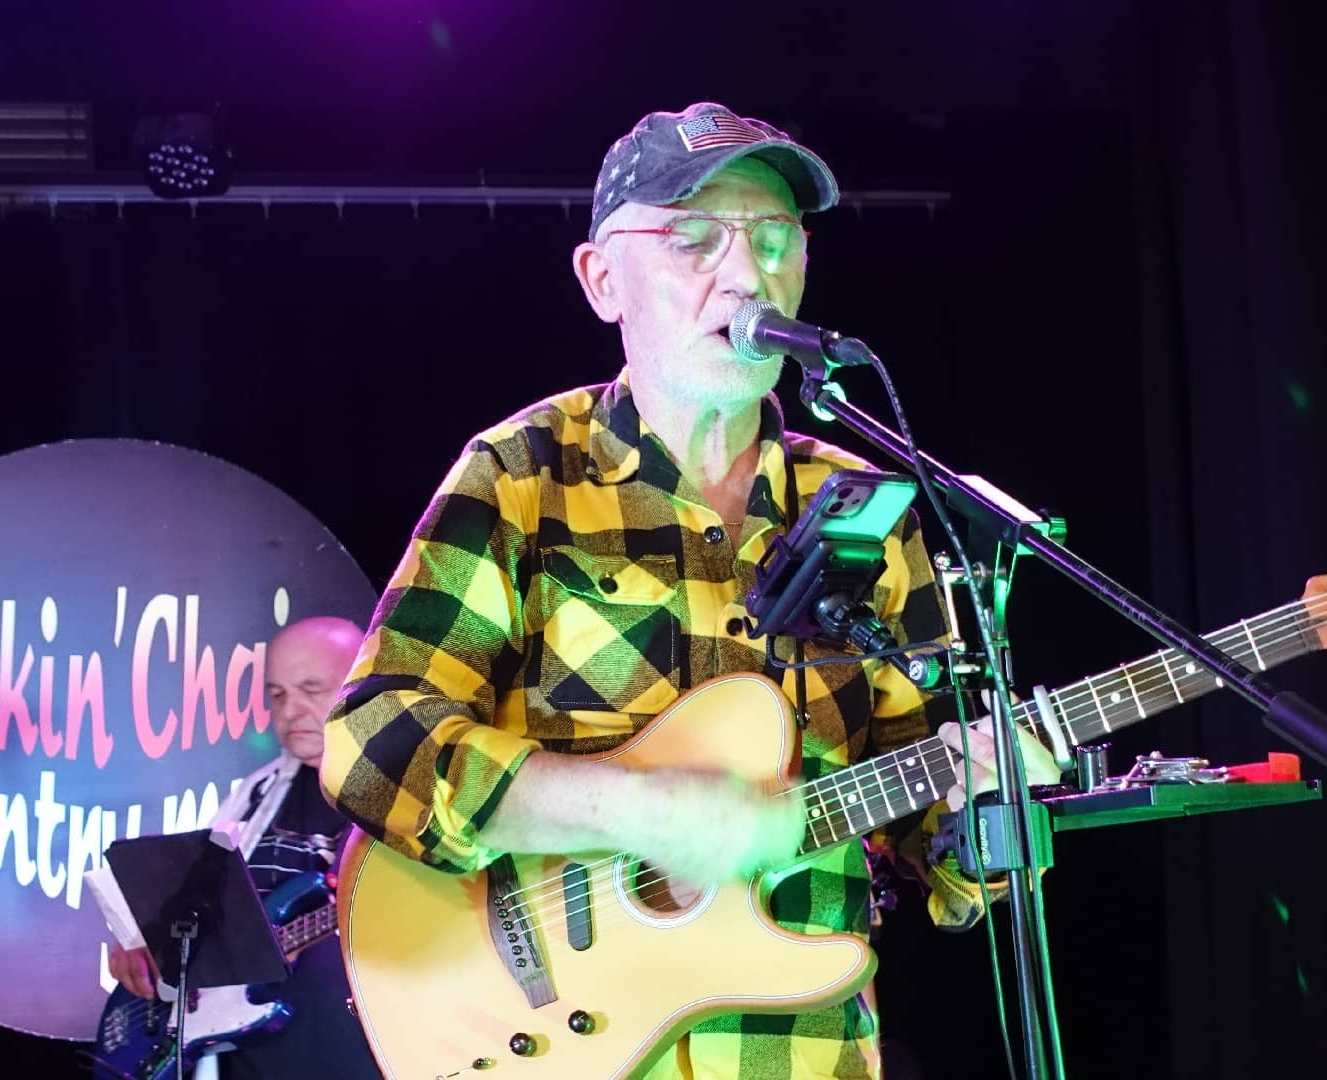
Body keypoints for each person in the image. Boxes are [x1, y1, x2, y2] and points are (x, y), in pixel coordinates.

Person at [320, 101, 1059, 1078]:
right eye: (693, 239)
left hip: (802, 1056)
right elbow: (369, 742)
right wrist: (635, 811)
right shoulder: (522, 475)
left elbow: (942, 852)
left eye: (774, 238)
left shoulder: (876, 507)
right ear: (600, 280)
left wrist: (998, 813)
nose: (745, 274)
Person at [107, 615, 383, 1080]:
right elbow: (192, 899)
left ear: (361, 685)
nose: (291, 710)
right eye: (277, 694)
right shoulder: (257, 792)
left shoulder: (403, 793)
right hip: (247, 1048)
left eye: (311, 689)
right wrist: (140, 939)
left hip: (350, 1045)